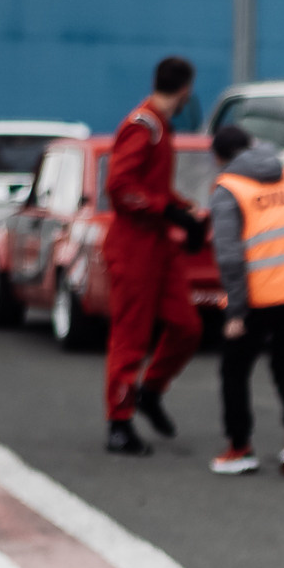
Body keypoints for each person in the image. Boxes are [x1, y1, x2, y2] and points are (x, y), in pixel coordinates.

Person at [103, 56, 209, 456]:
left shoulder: (159, 128)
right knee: (131, 337)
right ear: (185, 89)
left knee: (188, 326)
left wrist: (187, 212)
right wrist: (166, 210)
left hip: (159, 246)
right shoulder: (143, 126)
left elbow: (155, 190)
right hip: (134, 246)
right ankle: (119, 421)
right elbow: (120, 187)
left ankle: (150, 391)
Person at [204, 124, 284, 477]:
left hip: (260, 296)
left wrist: (236, 312)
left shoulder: (228, 188)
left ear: (219, 157)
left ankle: (239, 448)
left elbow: (229, 256)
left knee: (234, 370)